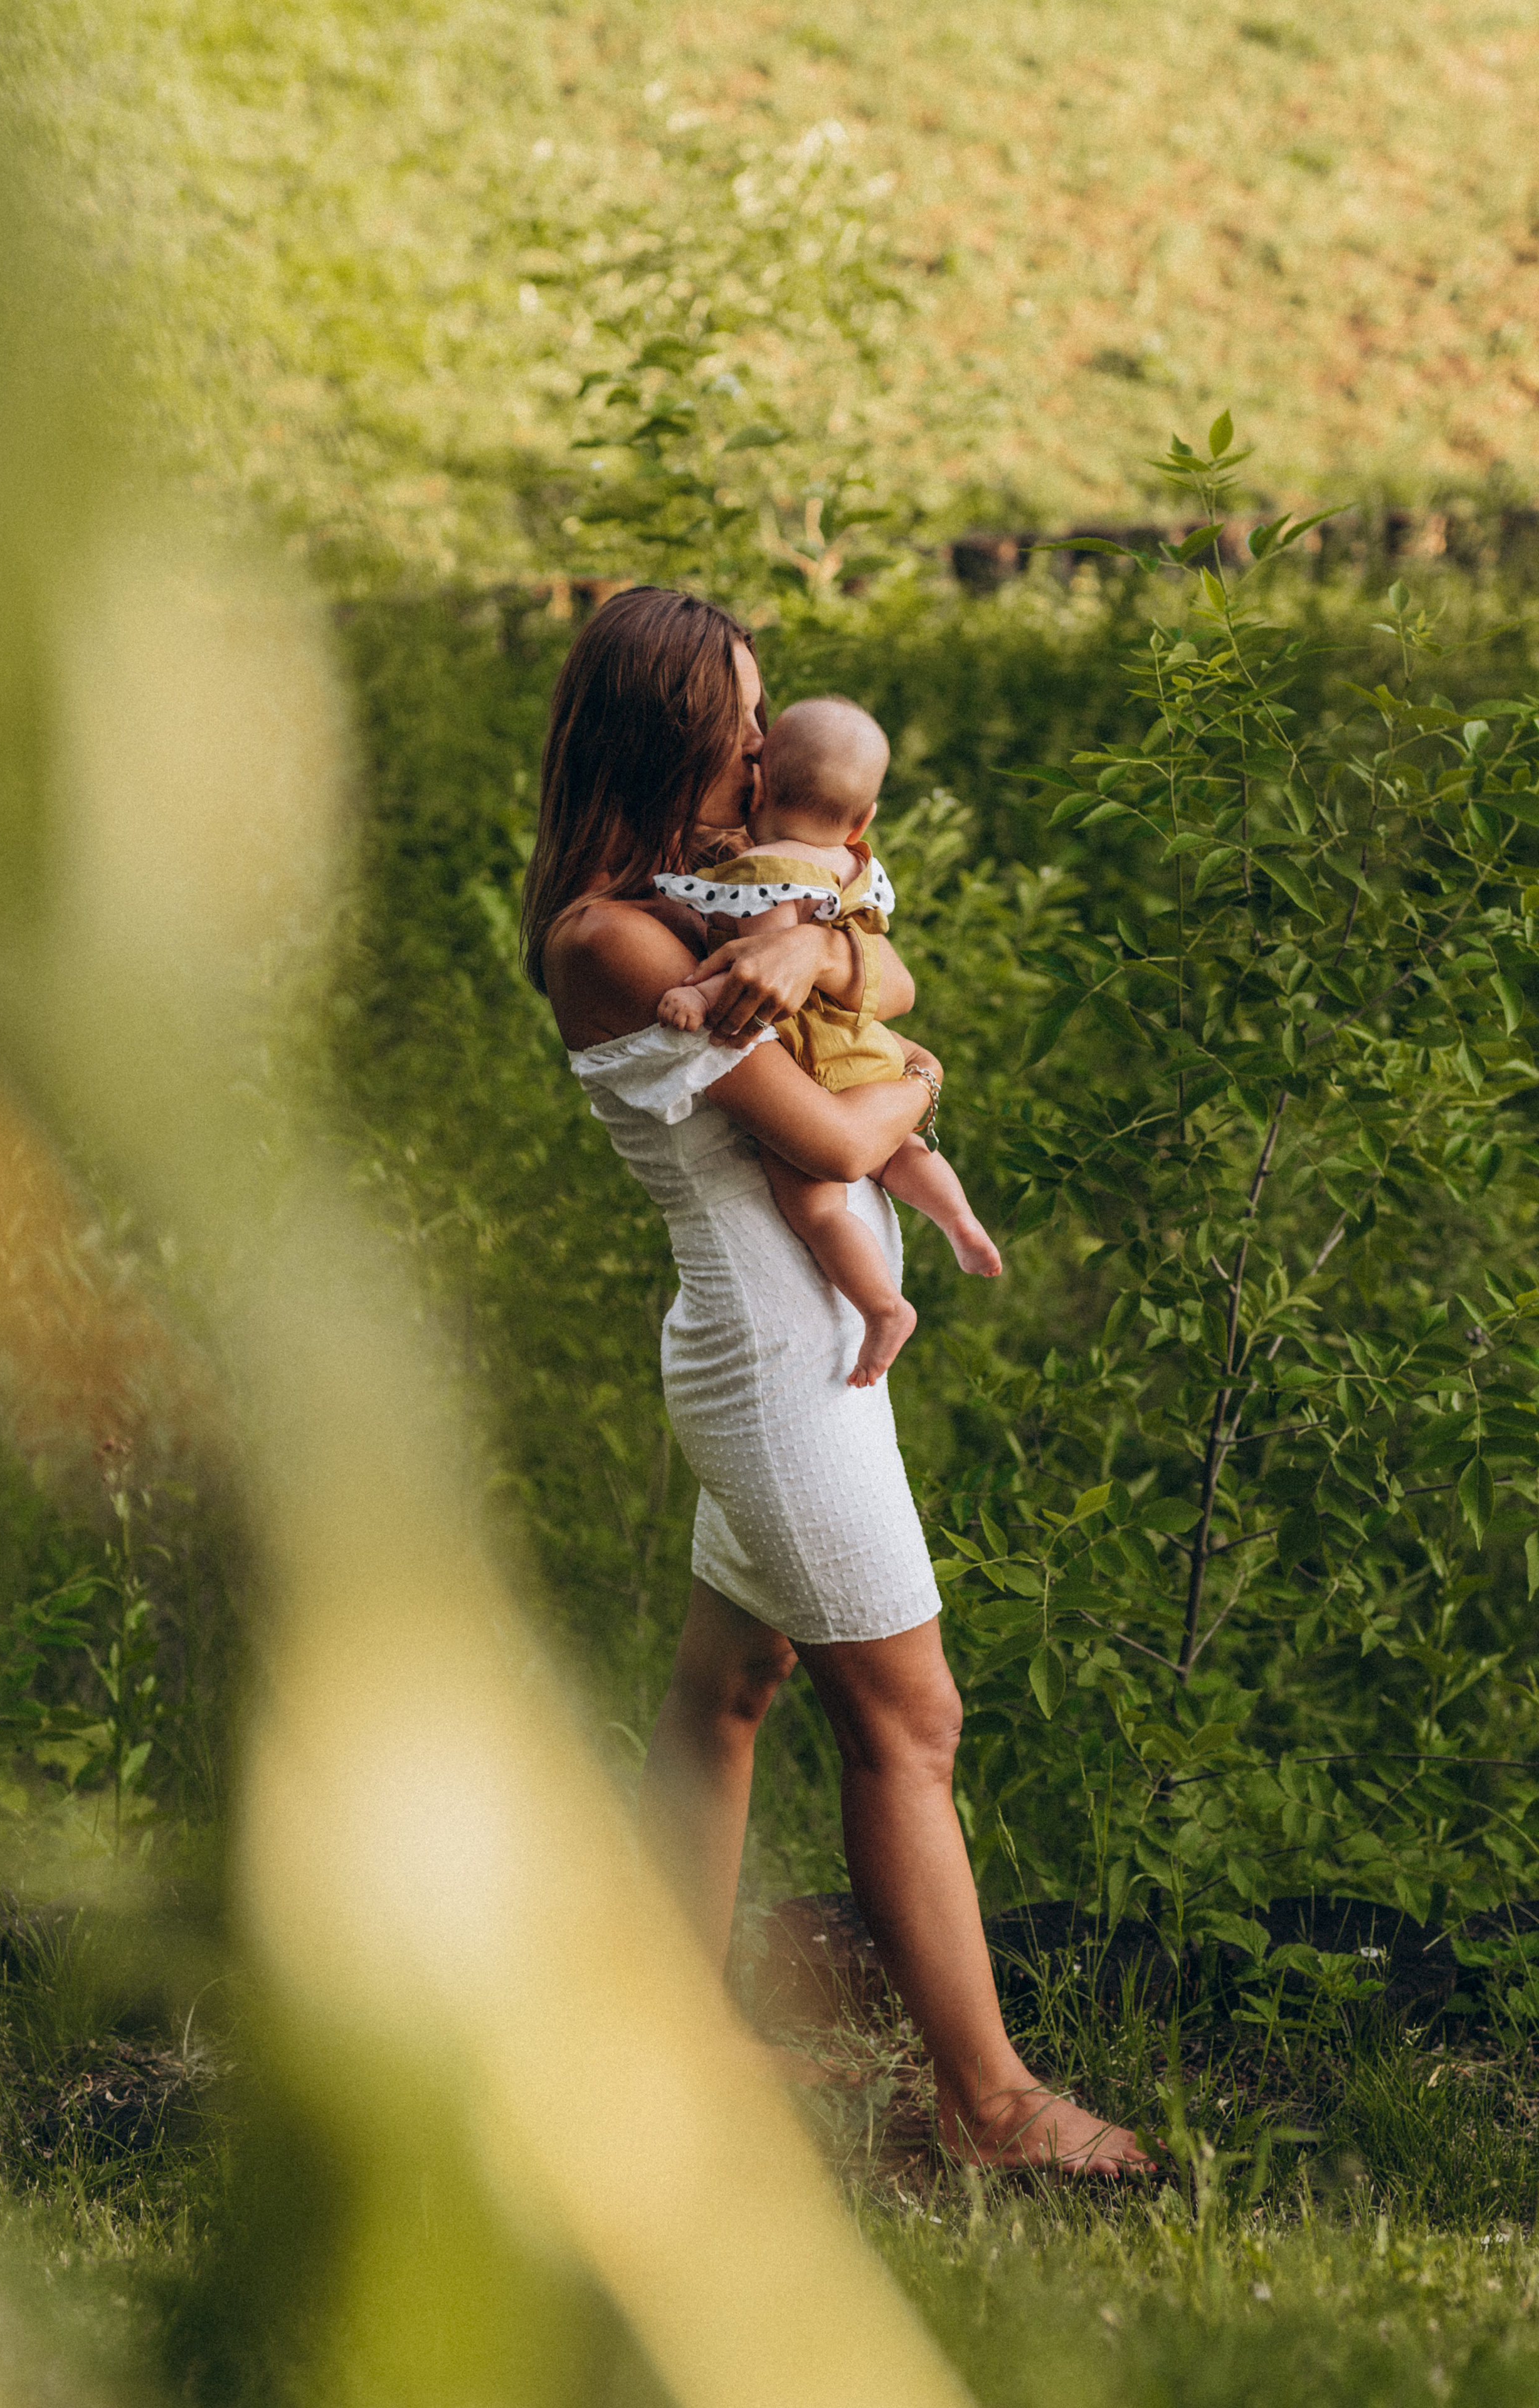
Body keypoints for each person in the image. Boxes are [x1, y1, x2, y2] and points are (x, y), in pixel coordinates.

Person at [521, 584, 1151, 2174]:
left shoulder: (719, 900)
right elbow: (838, 1134)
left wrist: (821, 936)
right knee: (912, 1722)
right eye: (739, 731)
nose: (761, 756)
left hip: (784, 1347)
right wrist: (916, 1080)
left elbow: (883, 966)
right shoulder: (614, 940)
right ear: (667, 739)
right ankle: (990, 2106)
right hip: (776, 1365)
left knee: (726, 1690)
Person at [653, 694, 1000, 1387]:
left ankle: (883, 1308)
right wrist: (921, 1070)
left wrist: (696, 994)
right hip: (869, 1045)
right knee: (903, 1149)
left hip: (813, 1060)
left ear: (759, 788)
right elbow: (878, 980)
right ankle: (961, 1222)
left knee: (814, 1207)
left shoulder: (763, 872)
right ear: (863, 819)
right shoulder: (853, 867)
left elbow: (760, 975)